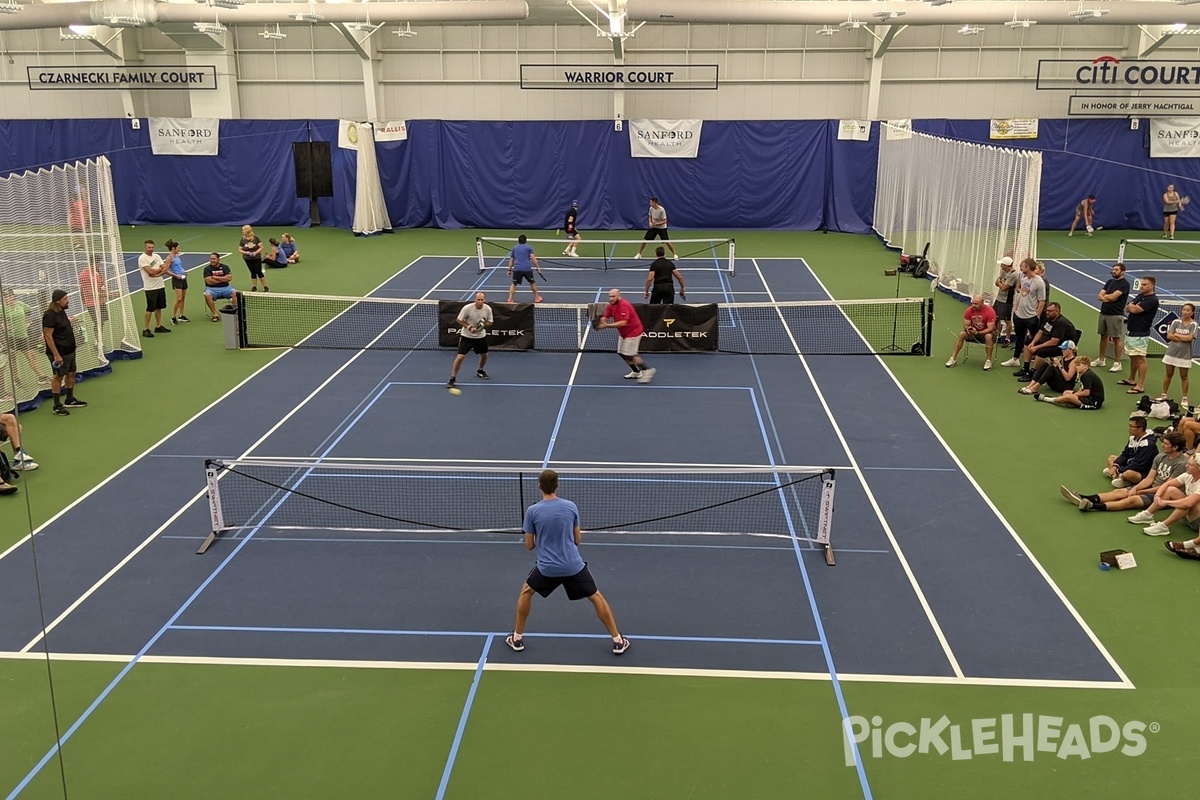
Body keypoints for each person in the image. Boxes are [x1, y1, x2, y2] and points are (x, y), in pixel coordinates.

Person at [505, 469, 630, 656]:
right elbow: (578, 540)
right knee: (595, 596)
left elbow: (529, 545)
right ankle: (618, 640)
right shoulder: (571, 507)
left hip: (547, 569)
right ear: (558, 485)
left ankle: (517, 638)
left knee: (526, 592)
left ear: (539, 486)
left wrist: (544, 536)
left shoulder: (532, 511)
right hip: (573, 566)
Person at [1064, 432, 1187, 512]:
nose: (1163, 446)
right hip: (1151, 487)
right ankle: (1083, 497)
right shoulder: (1160, 457)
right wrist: (1136, 488)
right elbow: (1149, 479)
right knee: (1120, 492)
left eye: (1166, 444)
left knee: (1130, 501)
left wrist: (1140, 491)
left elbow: (1165, 487)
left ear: (1175, 447)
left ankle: (1092, 506)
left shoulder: (1181, 464)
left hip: (1163, 495)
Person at [1126, 453, 1200, 536]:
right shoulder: (1187, 476)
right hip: (1188, 516)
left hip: (1197, 522)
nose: (1186, 466)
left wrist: (1166, 502)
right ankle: (1147, 514)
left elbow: (1188, 503)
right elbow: (1167, 484)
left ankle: (1164, 526)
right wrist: (1157, 496)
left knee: (1186, 503)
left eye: (1190, 465)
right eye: (1187, 463)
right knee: (1171, 490)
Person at [42, 289, 86, 416]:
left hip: (69, 351)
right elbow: (48, 336)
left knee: (71, 373)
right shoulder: (50, 315)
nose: (68, 301)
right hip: (59, 353)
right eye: (65, 299)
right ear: (57, 301)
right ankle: (56, 405)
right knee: (58, 376)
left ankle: (69, 399)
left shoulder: (61, 311)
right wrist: (56, 355)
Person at [597, 288, 654, 383]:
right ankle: (636, 371)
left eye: (613, 296)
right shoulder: (611, 305)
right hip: (624, 333)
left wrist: (607, 326)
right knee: (621, 353)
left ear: (619, 296)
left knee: (629, 354)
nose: (611, 298)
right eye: (610, 296)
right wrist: (603, 320)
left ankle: (647, 370)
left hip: (633, 332)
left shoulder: (624, 305)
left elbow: (623, 323)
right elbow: (606, 316)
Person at [1117, 276, 1159, 395]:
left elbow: (1134, 309)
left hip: (1141, 333)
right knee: (1133, 356)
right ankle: (1131, 378)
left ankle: (1140, 385)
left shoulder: (1152, 300)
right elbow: (1128, 306)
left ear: (1151, 286)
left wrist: (1132, 307)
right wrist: (1132, 307)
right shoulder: (1141, 296)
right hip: (1132, 331)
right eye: (1142, 284)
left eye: (1145, 284)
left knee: (1140, 358)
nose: (1142, 286)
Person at [1000, 258, 1045, 369]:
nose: (1020, 268)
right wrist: (1016, 310)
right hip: (1019, 315)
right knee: (1020, 338)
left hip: (1031, 316)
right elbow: (1021, 294)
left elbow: (1042, 301)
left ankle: (1041, 361)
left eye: (1022, 266)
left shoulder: (1039, 282)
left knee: (1035, 339)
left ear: (1028, 267)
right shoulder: (1024, 279)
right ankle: (1015, 359)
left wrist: (1037, 315)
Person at [1, 287, 51, 386]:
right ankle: (16, 379)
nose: (7, 298)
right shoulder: (1, 308)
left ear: (13, 296)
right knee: (13, 359)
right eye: (5, 297)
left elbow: (28, 310)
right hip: (10, 338)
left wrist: (26, 320)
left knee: (31, 356)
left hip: (23, 336)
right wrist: (3, 325)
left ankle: (41, 377)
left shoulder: (20, 305)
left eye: (9, 296)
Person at [1014, 302, 1073, 381]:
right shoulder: (1048, 318)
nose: (1047, 312)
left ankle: (1033, 373)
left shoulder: (1060, 323)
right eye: (1047, 310)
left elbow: (1054, 342)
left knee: (1043, 351)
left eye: (1050, 311)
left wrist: (1037, 347)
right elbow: (1041, 331)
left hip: (1062, 346)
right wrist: (1033, 343)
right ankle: (1026, 368)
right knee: (1028, 342)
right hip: (1050, 341)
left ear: (1057, 311)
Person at [447, 292, 492, 389]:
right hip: (466, 337)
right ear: (475, 299)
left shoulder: (488, 309)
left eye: (482, 300)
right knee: (460, 357)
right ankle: (452, 378)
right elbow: (459, 320)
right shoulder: (467, 308)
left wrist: (482, 326)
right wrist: (469, 327)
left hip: (480, 337)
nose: (480, 302)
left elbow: (490, 322)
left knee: (484, 355)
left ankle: (480, 371)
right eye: (478, 300)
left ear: (484, 300)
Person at [1103, 415, 1158, 488]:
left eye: (1132, 426)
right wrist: (1115, 466)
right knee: (1111, 458)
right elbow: (1125, 454)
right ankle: (1117, 476)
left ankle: (1120, 476)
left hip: (1143, 472)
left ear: (1140, 429)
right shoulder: (1133, 438)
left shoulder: (1148, 445)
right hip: (1131, 463)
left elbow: (1138, 465)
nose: (1129, 429)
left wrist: (1118, 470)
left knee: (1128, 474)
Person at [1094, 262, 1129, 374]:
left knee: (1116, 338)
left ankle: (1117, 363)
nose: (1114, 271)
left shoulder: (1124, 284)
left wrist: (1107, 297)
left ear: (1122, 271)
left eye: (1116, 270)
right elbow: (1100, 295)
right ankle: (1101, 359)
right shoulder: (1109, 282)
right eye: (1113, 270)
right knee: (1103, 336)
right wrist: (1107, 298)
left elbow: (1114, 297)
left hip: (1115, 314)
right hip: (1104, 312)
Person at [1160, 302, 1197, 407]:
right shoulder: (1176, 322)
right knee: (1168, 374)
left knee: (1184, 376)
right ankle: (1164, 394)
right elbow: (1169, 336)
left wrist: (1176, 335)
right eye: (1184, 310)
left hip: (1184, 355)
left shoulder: (1193, 324)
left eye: (1188, 310)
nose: (1185, 312)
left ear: (1192, 312)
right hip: (1171, 352)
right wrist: (1181, 337)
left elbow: (1190, 338)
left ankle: (1184, 397)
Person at [945, 294, 996, 370]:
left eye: (976, 304)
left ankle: (988, 360)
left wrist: (979, 333)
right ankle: (953, 358)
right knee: (962, 334)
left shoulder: (990, 311)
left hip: (985, 332)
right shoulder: (969, 310)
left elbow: (990, 328)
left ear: (982, 303)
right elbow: (966, 325)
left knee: (988, 336)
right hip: (973, 332)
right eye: (972, 303)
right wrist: (969, 329)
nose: (973, 305)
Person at [1038, 355, 1104, 409]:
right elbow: (1082, 389)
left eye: (1079, 365)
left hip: (1094, 402)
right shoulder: (1084, 374)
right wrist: (1075, 394)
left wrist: (1074, 395)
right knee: (1066, 392)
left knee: (1069, 396)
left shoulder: (1087, 375)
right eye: (1076, 365)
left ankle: (1048, 399)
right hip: (1088, 397)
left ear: (1086, 366)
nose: (1076, 367)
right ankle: (1072, 402)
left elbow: (1086, 392)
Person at [137, 239, 172, 338]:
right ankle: (146, 329)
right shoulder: (142, 258)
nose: (151, 249)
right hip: (150, 287)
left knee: (159, 307)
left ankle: (158, 326)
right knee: (150, 308)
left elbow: (164, 267)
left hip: (160, 285)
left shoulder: (157, 256)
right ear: (145, 247)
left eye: (152, 247)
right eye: (149, 247)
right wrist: (159, 271)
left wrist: (157, 273)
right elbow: (150, 272)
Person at [78, 257, 110, 346]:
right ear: (93, 263)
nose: (98, 264)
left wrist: (105, 287)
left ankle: (99, 340)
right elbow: (89, 293)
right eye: (97, 263)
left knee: (101, 322)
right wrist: (106, 295)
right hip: (91, 303)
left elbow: (102, 284)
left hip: (100, 302)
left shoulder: (97, 272)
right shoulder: (84, 275)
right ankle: (98, 342)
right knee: (97, 322)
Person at [505, 234, 542, 304]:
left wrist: (509, 270)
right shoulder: (529, 248)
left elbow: (511, 260)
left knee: (514, 284)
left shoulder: (514, 248)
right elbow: (533, 258)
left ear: (518, 241)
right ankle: (537, 297)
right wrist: (538, 267)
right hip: (527, 269)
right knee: (532, 283)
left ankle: (510, 299)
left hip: (517, 269)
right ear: (526, 240)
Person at [202, 252, 237, 322]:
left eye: (214, 259)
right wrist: (223, 279)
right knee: (207, 295)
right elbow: (209, 281)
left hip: (226, 288)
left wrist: (215, 277)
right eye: (211, 259)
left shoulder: (225, 267)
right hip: (212, 289)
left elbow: (229, 278)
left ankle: (234, 311)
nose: (212, 260)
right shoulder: (207, 269)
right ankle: (215, 314)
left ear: (218, 259)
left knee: (236, 293)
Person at [992, 256, 1018, 346]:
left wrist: (1001, 283)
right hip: (999, 299)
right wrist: (1001, 283)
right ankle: (997, 335)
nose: (1001, 267)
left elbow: (1003, 288)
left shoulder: (1014, 275)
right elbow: (997, 282)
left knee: (1007, 320)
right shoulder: (1003, 272)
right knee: (996, 317)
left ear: (1007, 265)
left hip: (1007, 301)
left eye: (1002, 265)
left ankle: (1007, 339)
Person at [164, 239, 190, 325]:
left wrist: (184, 272)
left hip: (183, 277)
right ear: (173, 248)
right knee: (178, 298)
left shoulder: (177, 256)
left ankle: (181, 315)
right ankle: (173, 316)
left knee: (183, 298)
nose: (179, 249)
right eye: (178, 248)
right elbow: (166, 270)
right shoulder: (169, 258)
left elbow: (179, 266)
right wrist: (176, 275)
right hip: (177, 279)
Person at [239, 224, 268, 293]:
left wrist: (255, 253)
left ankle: (265, 287)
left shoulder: (256, 238)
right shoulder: (243, 239)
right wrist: (247, 253)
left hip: (256, 258)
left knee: (259, 271)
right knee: (252, 272)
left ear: (247, 230)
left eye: (243, 230)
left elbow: (261, 247)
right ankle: (254, 287)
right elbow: (240, 249)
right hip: (247, 258)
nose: (242, 231)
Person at [67, 184, 90, 251]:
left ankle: (76, 245)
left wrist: (68, 221)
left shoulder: (72, 204)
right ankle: (81, 246)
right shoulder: (85, 204)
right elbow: (87, 213)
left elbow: (70, 213)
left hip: (74, 222)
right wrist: (87, 222)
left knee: (74, 234)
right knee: (82, 234)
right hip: (82, 222)